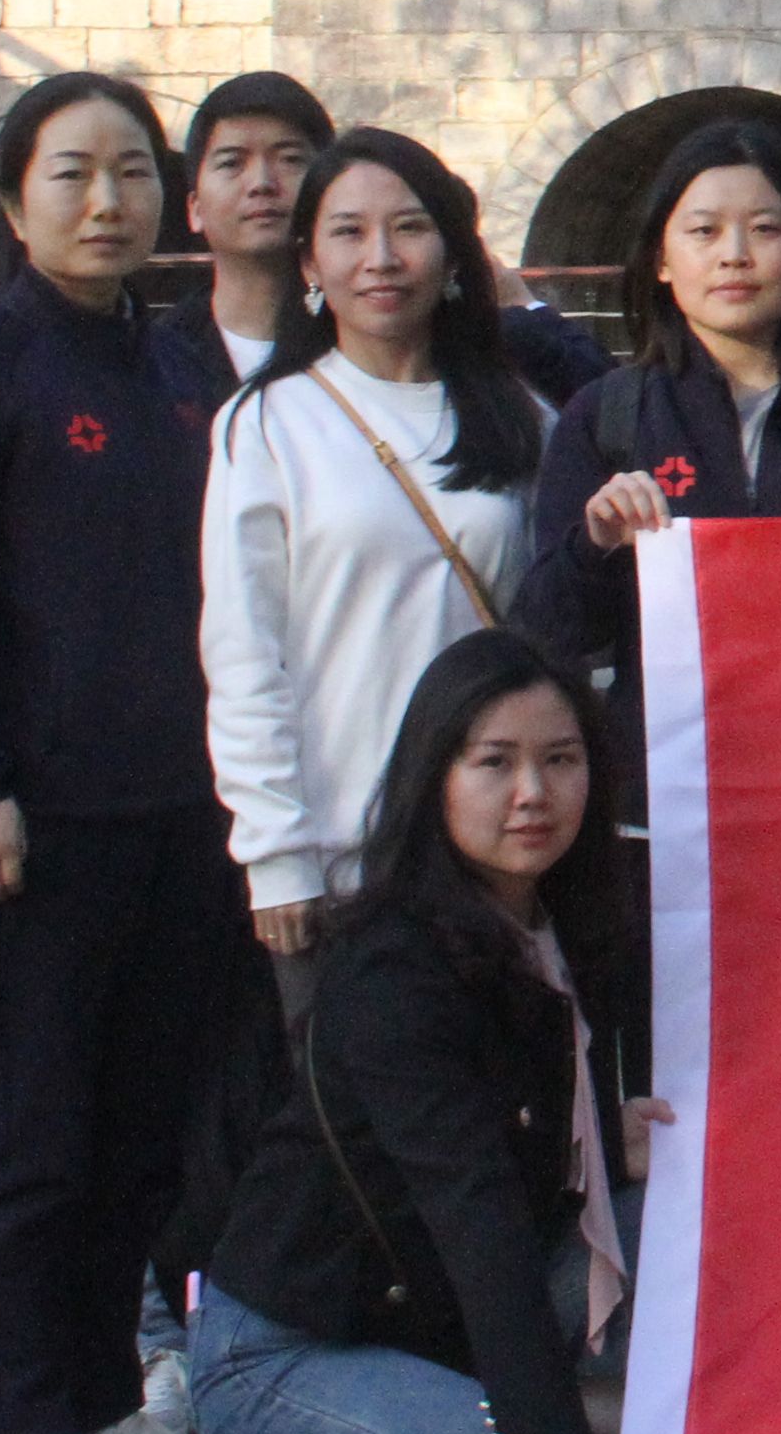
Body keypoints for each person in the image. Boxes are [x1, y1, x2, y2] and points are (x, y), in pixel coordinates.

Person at [0, 73, 245, 1434]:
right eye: (73, 174)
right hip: (39, 821)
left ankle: (102, 1402)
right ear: (13, 198)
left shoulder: (176, 370)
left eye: (134, 173)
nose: (109, 203)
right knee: (32, 1135)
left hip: (183, 815)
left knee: (141, 1134)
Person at [192, 630, 687, 1434]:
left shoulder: (557, 921)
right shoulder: (394, 970)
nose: (533, 794)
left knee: (683, 1226)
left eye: (560, 759)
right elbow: (476, 1215)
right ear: (435, 778)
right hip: (292, 1349)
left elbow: (526, 1150)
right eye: (494, 762)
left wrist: (602, 1143)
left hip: (431, 1319)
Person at [203, 132, 551, 984]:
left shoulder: (521, 418)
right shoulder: (269, 423)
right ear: (309, 262)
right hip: (343, 849)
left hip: (498, 847)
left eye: (410, 227)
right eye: (349, 232)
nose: (382, 258)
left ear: (454, 254)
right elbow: (244, 652)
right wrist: (275, 850)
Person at [516, 117, 781, 689]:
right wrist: (595, 544)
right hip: (675, 742)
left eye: (766, 228)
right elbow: (545, 633)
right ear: (661, 258)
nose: (735, 255)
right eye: (704, 231)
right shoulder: (607, 417)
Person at [171, 69, 608, 408]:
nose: (262, 183)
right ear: (193, 206)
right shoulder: (162, 358)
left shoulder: (444, 340)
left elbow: (609, 406)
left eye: (290, 159)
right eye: (232, 163)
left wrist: (523, 306)